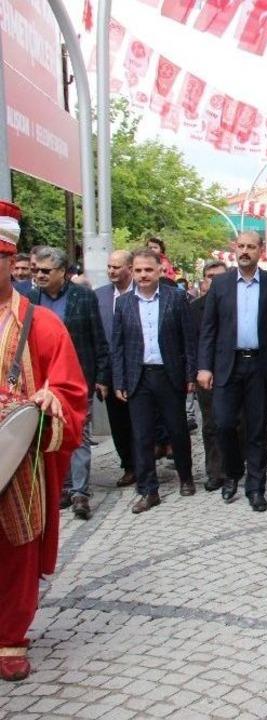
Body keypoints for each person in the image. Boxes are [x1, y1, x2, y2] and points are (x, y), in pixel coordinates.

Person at [0, 201, 88, 682]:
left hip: (15, 458)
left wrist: (48, 398)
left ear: (11, 264)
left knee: (16, 547)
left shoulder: (42, 323)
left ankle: (10, 635)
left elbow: (70, 388)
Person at [197, 231, 267, 512]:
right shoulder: (221, 284)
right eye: (241, 246)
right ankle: (233, 473)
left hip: (261, 367)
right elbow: (209, 329)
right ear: (234, 250)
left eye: (251, 246)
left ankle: (256, 487)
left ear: (261, 250)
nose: (245, 251)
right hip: (228, 365)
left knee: (256, 429)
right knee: (224, 423)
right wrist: (204, 366)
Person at [111, 250, 198, 512]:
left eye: (148, 270)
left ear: (159, 271)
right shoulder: (124, 303)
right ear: (132, 272)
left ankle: (186, 476)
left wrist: (190, 374)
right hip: (138, 377)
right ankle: (149, 489)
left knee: (177, 429)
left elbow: (188, 340)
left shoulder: (176, 297)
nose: (143, 275)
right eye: (138, 271)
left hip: (168, 374)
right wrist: (120, 380)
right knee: (142, 435)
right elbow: (118, 346)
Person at [28, 246, 109, 522]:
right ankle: (60, 488)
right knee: (49, 435)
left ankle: (80, 493)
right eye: (36, 270)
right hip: (38, 381)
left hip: (76, 378)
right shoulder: (28, 299)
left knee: (78, 434)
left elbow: (97, 337)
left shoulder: (83, 297)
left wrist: (101, 376)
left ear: (62, 272)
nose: (39, 274)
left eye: (45, 271)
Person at [94, 250, 136, 487]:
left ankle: (144, 463)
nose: (111, 271)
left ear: (129, 267)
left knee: (140, 421)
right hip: (110, 369)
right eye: (109, 267)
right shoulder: (98, 296)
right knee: (118, 422)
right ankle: (129, 465)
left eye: (116, 267)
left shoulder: (142, 293)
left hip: (139, 367)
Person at [192, 261, 228, 491]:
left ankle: (235, 463)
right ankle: (215, 471)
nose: (213, 280)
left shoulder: (237, 304)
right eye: (209, 276)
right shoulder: (195, 308)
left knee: (238, 423)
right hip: (207, 374)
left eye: (219, 276)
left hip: (235, 372)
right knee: (211, 424)